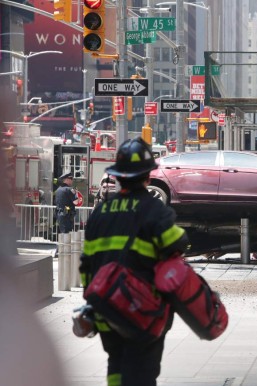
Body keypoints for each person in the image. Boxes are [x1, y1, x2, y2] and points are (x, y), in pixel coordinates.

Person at [79, 138, 189, 386]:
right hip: (143, 308)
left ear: (118, 177)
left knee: (115, 363)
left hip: (105, 306)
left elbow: (87, 263)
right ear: (148, 176)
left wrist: (92, 302)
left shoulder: (100, 212)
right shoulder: (154, 210)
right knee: (142, 372)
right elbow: (177, 244)